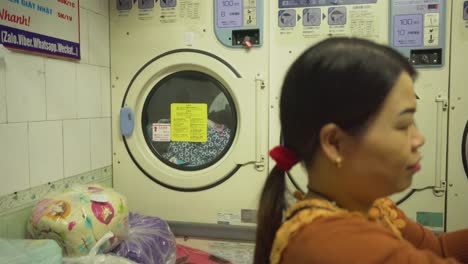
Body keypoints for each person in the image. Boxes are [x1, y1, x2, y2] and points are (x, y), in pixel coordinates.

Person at [254, 37, 468, 264]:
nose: (419, 139)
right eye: (403, 124)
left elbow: (439, 249)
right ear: (335, 143)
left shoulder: (374, 207)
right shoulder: (331, 243)